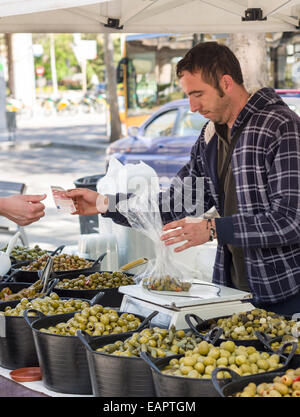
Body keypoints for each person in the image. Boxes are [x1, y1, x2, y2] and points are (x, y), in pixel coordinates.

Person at [66, 42, 300, 315]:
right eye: (188, 95)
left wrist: (214, 229)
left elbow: (291, 220)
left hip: (285, 294)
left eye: (198, 94)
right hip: (232, 292)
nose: (192, 106)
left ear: (226, 83)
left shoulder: (281, 126)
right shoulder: (211, 136)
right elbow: (176, 202)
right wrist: (104, 203)